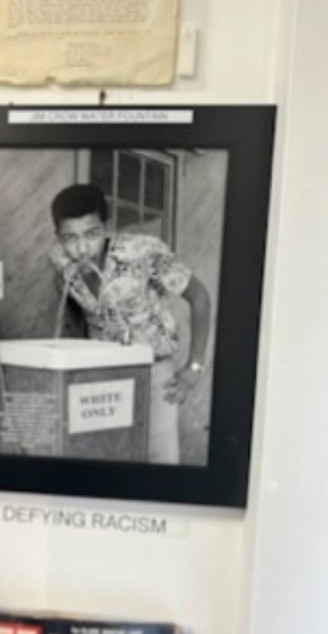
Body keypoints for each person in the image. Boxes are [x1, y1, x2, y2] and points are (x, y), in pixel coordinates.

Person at [49, 182, 212, 464]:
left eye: (92, 234)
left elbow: (200, 297)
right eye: (70, 238)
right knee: (107, 460)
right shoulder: (59, 260)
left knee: (160, 462)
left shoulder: (142, 251)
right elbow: (75, 310)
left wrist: (195, 366)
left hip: (154, 372)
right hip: (100, 376)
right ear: (58, 237)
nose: (82, 249)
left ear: (106, 226)